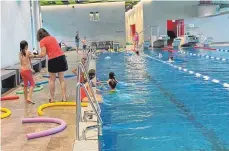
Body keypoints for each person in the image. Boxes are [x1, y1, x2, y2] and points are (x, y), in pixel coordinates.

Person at [34, 28, 68, 103]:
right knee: (62, 79)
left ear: (39, 36)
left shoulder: (42, 41)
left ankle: (52, 99)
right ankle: (64, 98)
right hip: (62, 57)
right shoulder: (52, 38)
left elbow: (43, 54)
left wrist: (34, 56)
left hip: (53, 60)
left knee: (52, 79)